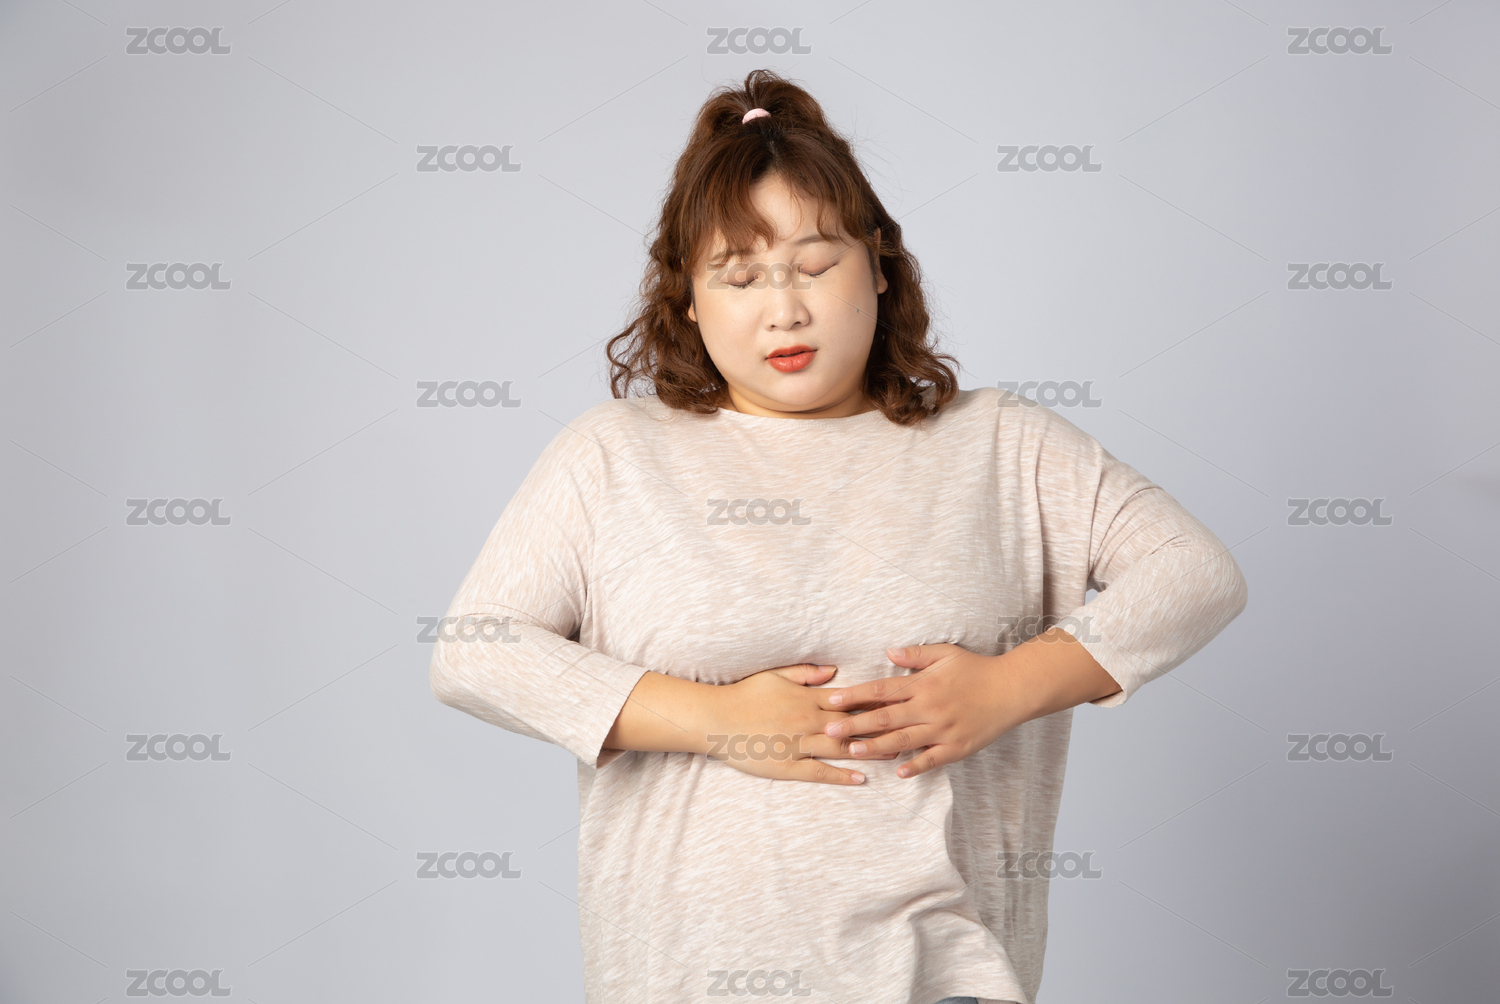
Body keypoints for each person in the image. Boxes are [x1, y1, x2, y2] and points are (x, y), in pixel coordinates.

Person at [429, 69, 1248, 1004]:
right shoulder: (613, 455)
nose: (784, 308)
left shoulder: (1000, 446)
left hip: (944, 972)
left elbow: (1194, 571)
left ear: (881, 266)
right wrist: (717, 720)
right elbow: (475, 651)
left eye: (816, 266)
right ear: (688, 299)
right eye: (739, 277)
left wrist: (1008, 687)